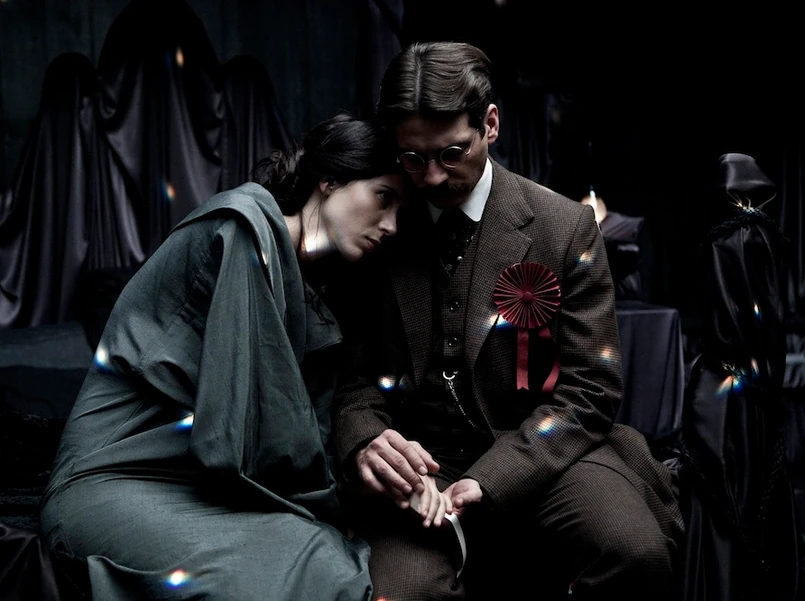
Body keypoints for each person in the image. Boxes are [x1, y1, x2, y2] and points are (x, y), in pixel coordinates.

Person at [332, 41, 684, 600]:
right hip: (419, 471)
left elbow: (591, 390)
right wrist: (368, 441)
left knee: (633, 552)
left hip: (545, 453)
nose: (431, 177)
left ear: (490, 125)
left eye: (451, 153)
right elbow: (350, 378)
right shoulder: (378, 226)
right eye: (413, 158)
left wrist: (494, 476)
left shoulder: (563, 227)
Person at [38, 113, 407, 600]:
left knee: (327, 559)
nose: (391, 225)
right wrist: (342, 497)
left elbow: (307, 420)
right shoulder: (243, 227)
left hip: (200, 487)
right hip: (114, 481)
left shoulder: (316, 286)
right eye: (383, 197)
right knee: (306, 570)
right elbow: (240, 434)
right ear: (331, 179)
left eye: (401, 212)